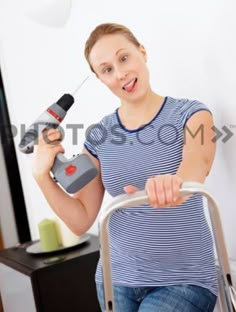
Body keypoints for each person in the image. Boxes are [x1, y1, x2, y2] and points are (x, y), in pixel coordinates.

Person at [32, 23, 218, 311]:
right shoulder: (98, 135)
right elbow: (81, 219)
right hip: (115, 279)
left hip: (184, 279)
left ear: (141, 52)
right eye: (106, 70)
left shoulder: (191, 114)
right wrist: (42, 176)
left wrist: (173, 184)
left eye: (124, 58)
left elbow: (197, 165)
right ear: (100, 79)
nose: (120, 74)